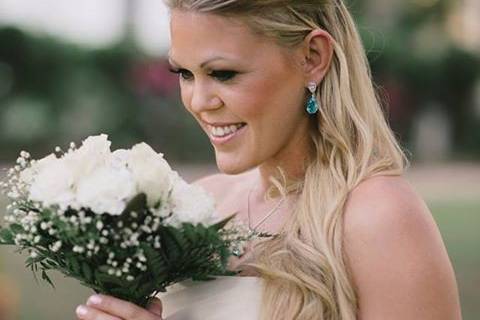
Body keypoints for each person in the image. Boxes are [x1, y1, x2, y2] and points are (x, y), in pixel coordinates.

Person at [75, 1, 462, 319]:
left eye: (223, 73)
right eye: (185, 73)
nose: (198, 101)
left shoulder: (379, 216)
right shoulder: (199, 203)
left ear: (313, 57)